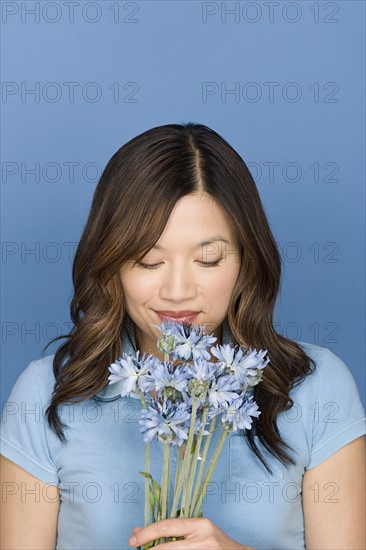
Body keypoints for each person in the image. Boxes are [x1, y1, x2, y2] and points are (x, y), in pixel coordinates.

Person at [1, 122, 365, 550]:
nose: (177, 292)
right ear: (110, 263)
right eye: (148, 261)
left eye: (208, 260)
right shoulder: (47, 395)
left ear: (247, 260)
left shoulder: (317, 389)